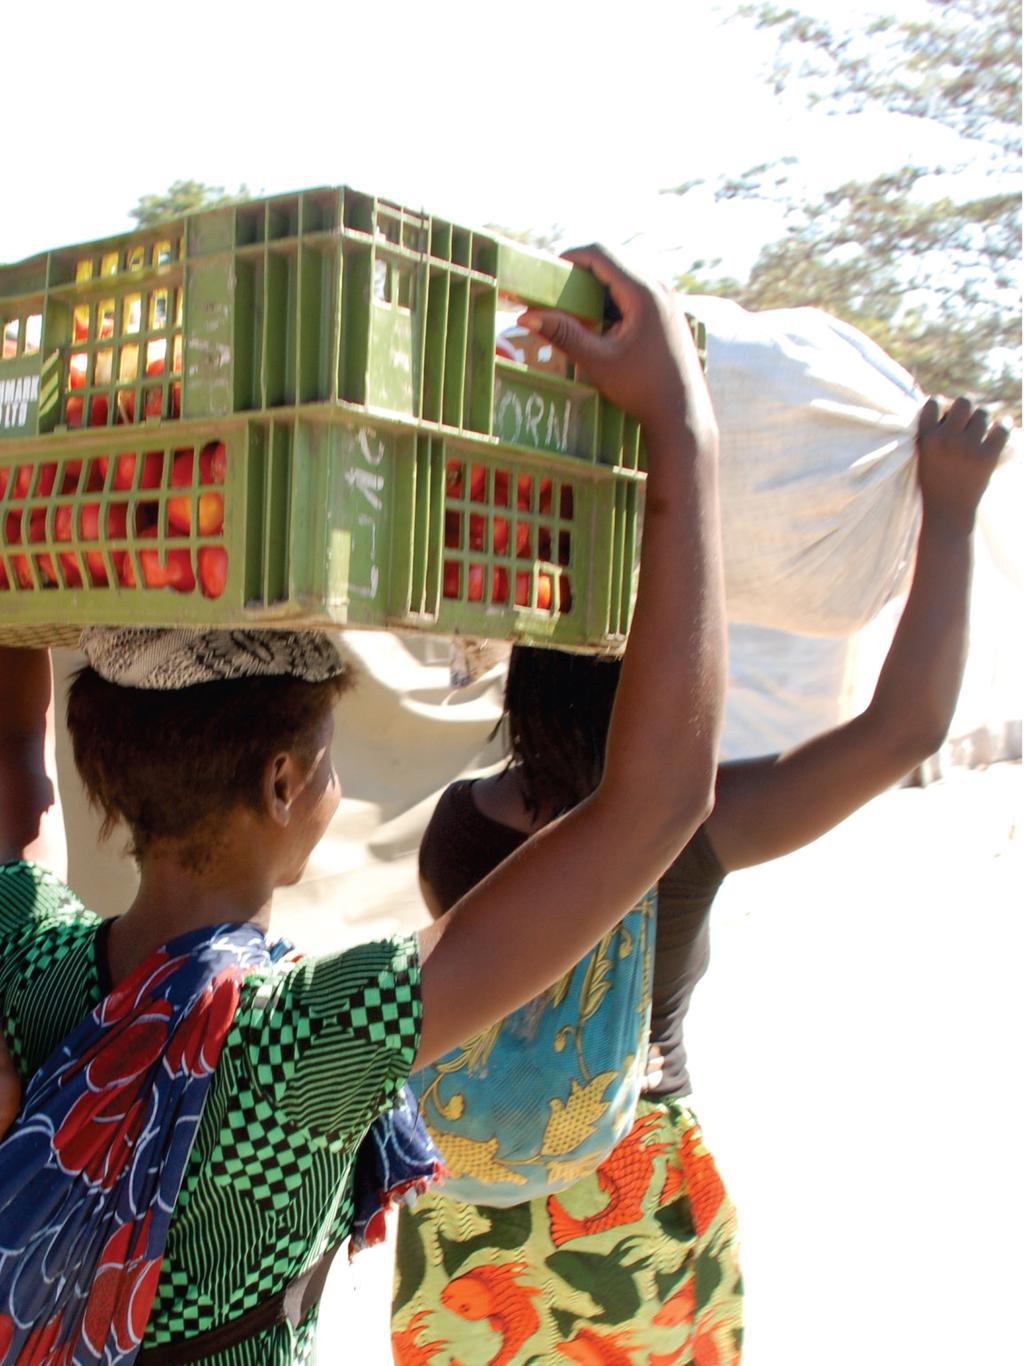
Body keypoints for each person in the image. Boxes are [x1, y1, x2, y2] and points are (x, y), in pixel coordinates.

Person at [0, 246, 726, 1364]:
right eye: (324, 753)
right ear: (282, 782)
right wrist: (683, 433)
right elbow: (658, 803)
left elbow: (8, 746)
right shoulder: (303, 1047)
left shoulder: (26, 954)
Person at [391, 395, 1009, 1365]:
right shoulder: (699, 826)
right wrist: (954, 510)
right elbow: (904, 729)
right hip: (634, 1193)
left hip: (468, 1206)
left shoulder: (458, 827)